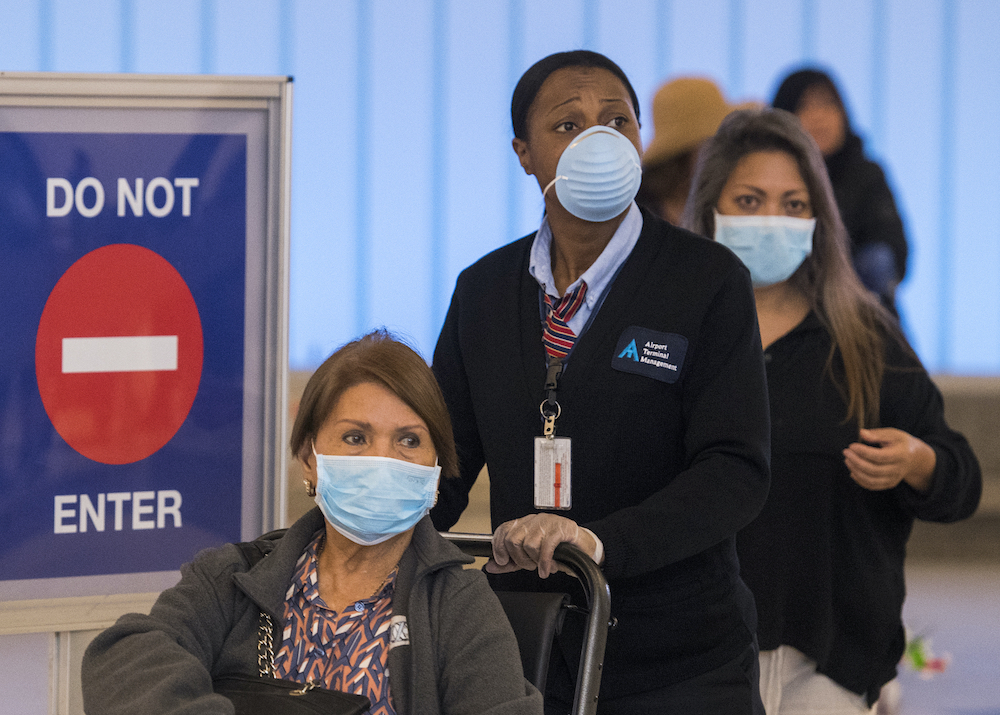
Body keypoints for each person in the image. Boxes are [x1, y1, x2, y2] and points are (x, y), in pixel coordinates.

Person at [430, 50, 771, 714]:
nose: (597, 139)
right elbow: (447, 463)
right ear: (524, 152)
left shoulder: (707, 281)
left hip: (682, 659)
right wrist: (373, 522)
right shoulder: (485, 291)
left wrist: (599, 541)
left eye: (617, 121)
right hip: (529, 648)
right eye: (567, 124)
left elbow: (735, 470)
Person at [682, 108, 982, 714]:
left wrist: (918, 462)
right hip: (693, 655)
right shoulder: (672, 331)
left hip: (832, 662)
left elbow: (960, 477)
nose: (772, 220)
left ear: (819, 217)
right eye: (749, 200)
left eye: (794, 205)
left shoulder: (864, 338)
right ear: (711, 210)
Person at [82, 330, 543, 715]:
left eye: (408, 440)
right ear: (309, 458)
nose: (382, 459)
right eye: (355, 437)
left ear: (435, 469)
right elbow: (122, 656)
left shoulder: (459, 607)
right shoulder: (233, 577)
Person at [772, 68, 908, 314]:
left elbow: (895, 252)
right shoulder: (770, 178)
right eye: (806, 106)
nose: (819, 117)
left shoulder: (867, 174)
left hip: (861, 309)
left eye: (828, 104)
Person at [637, 76, 752, 224]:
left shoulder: (728, 198)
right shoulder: (634, 217)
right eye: (717, 140)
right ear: (685, 153)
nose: (728, 149)